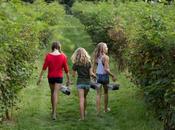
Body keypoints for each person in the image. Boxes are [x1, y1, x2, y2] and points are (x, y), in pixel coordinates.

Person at [37, 41, 70, 120]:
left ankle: (53, 111)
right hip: (58, 77)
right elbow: (66, 70)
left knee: (52, 93)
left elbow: (44, 68)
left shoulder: (48, 56)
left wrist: (40, 78)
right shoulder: (63, 56)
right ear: (59, 47)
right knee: (55, 93)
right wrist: (68, 79)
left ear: (52, 47)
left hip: (51, 77)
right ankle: (54, 113)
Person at [71, 48, 96, 120]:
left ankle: (82, 117)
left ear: (77, 55)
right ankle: (84, 111)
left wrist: (75, 74)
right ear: (85, 54)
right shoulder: (88, 63)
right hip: (87, 83)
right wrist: (95, 76)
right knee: (85, 97)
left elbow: (73, 75)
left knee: (81, 99)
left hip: (80, 83)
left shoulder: (76, 63)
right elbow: (91, 73)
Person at [92, 42, 116, 115]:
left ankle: (98, 111)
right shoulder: (105, 57)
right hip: (104, 77)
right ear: (102, 49)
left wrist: (93, 76)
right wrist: (112, 75)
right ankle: (105, 109)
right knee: (105, 93)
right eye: (106, 47)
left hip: (97, 76)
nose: (107, 48)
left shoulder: (96, 57)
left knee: (98, 94)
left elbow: (93, 68)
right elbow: (106, 69)